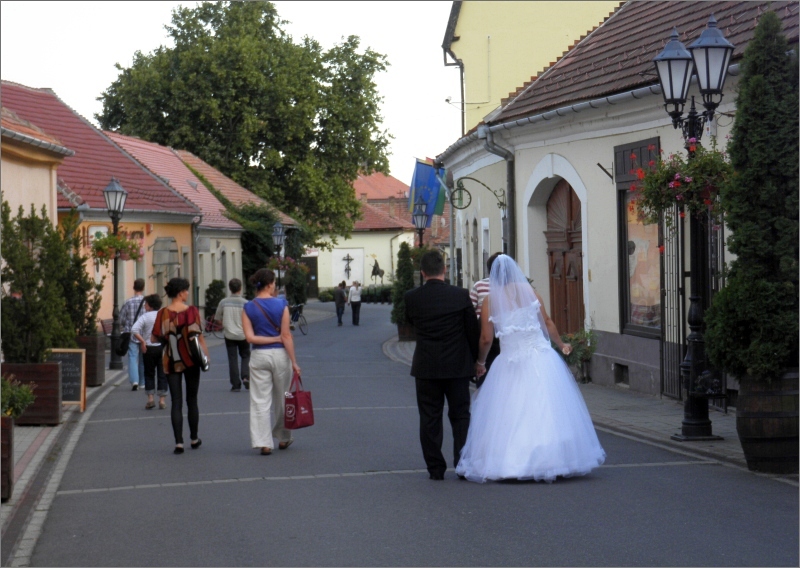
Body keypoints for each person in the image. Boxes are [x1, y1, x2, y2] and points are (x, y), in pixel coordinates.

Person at [456, 255, 606, 483]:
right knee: (547, 407)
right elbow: (547, 322)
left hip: (510, 361)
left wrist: (481, 362)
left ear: (492, 274)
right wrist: (561, 344)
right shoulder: (530, 293)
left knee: (511, 409)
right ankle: (554, 459)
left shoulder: (490, 301)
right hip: (540, 357)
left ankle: (512, 461)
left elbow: (486, 338)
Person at [404, 250, 481, 480]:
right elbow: (472, 331)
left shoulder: (412, 297)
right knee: (460, 416)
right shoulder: (460, 295)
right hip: (457, 366)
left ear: (422, 273)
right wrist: (477, 361)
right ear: (444, 270)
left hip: (426, 366)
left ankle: (435, 468)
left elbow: (410, 323)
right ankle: (462, 464)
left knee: (429, 417)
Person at [242, 268, 301, 456]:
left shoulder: (248, 307)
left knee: (260, 400)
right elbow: (286, 336)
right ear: (269, 285)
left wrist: (269, 339)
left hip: (259, 355)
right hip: (280, 355)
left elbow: (250, 338)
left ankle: (263, 442)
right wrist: (294, 362)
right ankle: (283, 437)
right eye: (274, 282)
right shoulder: (282, 305)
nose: (275, 285)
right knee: (283, 397)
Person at [151, 278, 208, 454]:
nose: (188, 293)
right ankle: (194, 438)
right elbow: (198, 335)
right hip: (191, 360)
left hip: (171, 360)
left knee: (176, 401)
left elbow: (153, 337)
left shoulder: (162, 313)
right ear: (181, 292)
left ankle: (178, 443)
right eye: (186, 291)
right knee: (192, 400)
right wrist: (205, 356)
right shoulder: (191, 311)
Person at [469, 252, 503, 388]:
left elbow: (470, 313)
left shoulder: (479, 286)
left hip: (486, 336)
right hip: (505, 338)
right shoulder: (516, 289)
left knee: (486, 381)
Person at [132, 294, 168, 410]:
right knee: (162, 374)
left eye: (146, 304)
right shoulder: (162, 315)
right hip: (162, 347)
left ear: (150, 305)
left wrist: (142, 341)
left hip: (148, 348)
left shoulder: (145, 317)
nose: (144, 306)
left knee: (149, 374)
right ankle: (162, 400)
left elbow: (134, 329)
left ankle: (150, 399)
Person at [214, 278, 251, 392]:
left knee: (232, 358)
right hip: (243, 334)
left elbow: (217, 318)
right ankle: (246, 377)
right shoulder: (246, 303)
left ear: (230, 288)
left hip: (229, 334)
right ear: (240, 288)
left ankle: (235, 384)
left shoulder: (223, 302)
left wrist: (223, 323)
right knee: (245, 355)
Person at [120, 278, 146, 391]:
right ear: (143, 288)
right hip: (144, 335)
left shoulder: (128, 302)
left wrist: (127, 324)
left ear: (133, 287)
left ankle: (134, 381)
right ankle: (142, 382)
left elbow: (121, 319)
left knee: (132, 357)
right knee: (142, 359)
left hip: (131, 334)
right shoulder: (146, 303)